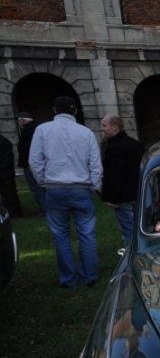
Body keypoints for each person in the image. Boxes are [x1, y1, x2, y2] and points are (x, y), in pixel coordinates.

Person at [29, 96, 102, 288]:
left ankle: (68, 279)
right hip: (81, 187)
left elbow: (34, 162)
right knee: (87, 233)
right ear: (75, 110)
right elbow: (95, 164)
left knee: (60, 235)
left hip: (55, 188)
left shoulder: (42, 130)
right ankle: (89, 276)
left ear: (55, 110)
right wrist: (94, 186)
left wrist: (43, 181)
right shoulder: (86, 132)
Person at [100, 114, 145, 246]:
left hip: (122, 197)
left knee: (128, 232)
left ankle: (132, 253)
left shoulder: (114, 148)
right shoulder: (135, 144)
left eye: (104, 125)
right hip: (137, 193)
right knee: (140, 228)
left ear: (114, 127)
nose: (103, 129)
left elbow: (115, 175)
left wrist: (112, 199)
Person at [16, 112, 46, 215]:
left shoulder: (29, 131)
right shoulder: (36, 129)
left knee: (36, 187)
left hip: (31, 164)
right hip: (34, 163)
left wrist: (30, 164)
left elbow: (27, 149)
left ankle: (45, 208)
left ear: (22, 120)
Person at [0, 133, 24, 218]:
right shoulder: (4, 141)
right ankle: (14, 212)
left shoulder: (2, 141)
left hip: (4, 172)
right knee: (10, 193)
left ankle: (13, 213)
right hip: (6, 172)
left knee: (8, 194)